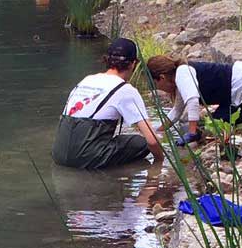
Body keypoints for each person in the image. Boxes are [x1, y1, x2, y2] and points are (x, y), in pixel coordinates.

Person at [53, 38, 164, 169]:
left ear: (107, 60)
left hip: (59, 154)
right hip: (85, 158)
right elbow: (152, 140)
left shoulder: (87, 80)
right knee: (141, 142)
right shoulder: (125, 90)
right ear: (133, 64)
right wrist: (160, 163)